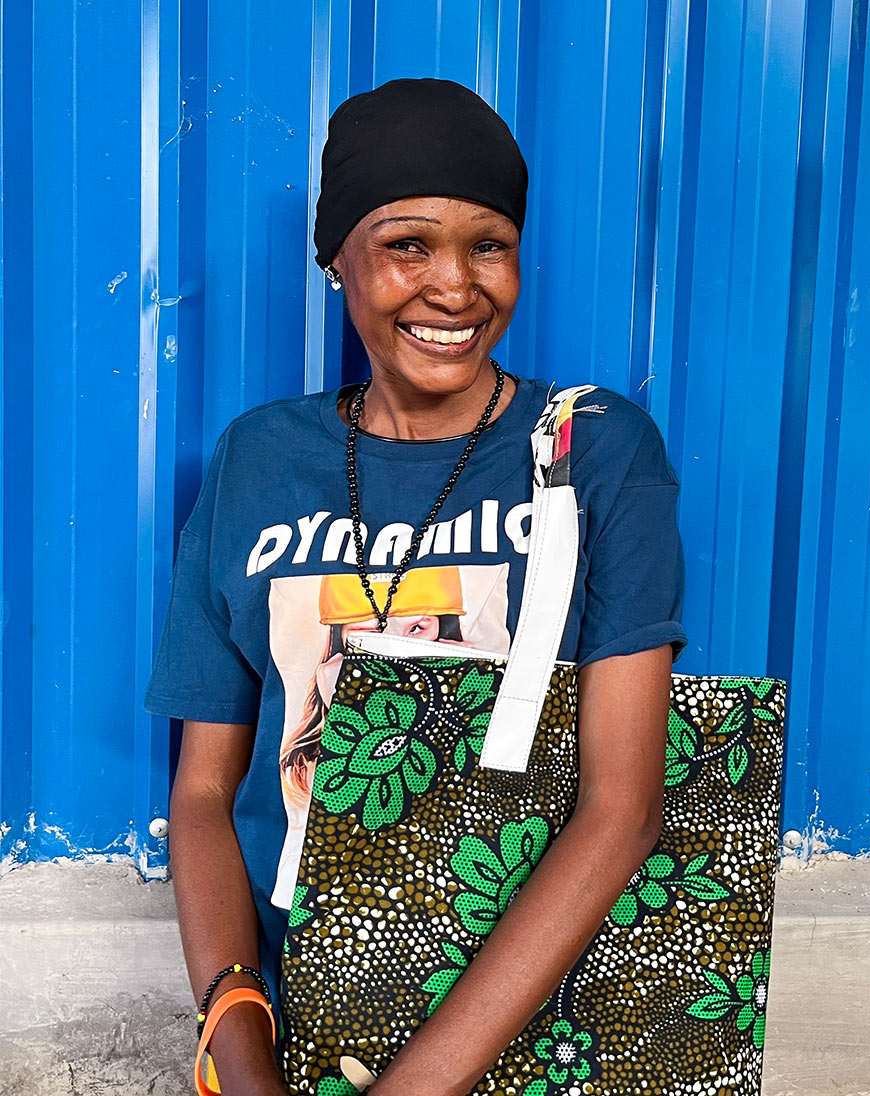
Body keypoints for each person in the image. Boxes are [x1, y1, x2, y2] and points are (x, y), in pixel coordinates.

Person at [146, 77, 686, 1096]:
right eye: (407, 245)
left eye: (489, 244)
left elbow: (624, 810)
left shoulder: (595, 451)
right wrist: (237, 1031)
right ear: (337, 256)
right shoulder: (258, 460)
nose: (455, 286)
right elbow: (209, 791)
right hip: (296, 1025)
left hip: (538, 1028)